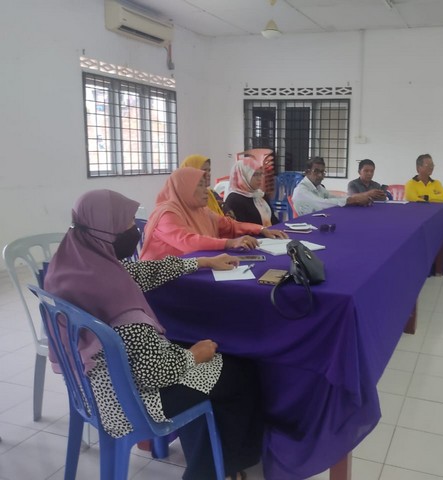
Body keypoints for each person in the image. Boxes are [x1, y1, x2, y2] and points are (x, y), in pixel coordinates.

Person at [44, 189, 262, 480]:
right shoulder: (117, 299)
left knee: (202, 362)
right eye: (127, 223)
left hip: (89, 390)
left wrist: (202, 262)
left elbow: (142, 272)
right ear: (106, 230)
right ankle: (211, 472)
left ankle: (214, 460)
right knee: (239, 373)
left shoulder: (74, 266)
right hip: (129, 401)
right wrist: (194, 355)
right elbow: (155, 372)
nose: (134, 229)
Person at [141, 167, 288, 260]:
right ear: (183, 188)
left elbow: (229, 225)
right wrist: (230, 243)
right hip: (164, 279)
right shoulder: (167, 214)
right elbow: (188, 242)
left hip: (193, 268)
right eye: (200, 185)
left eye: (206, 185)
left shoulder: (200, 210)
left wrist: (261, 229)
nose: (207, 191)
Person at [292, 157, 384, 216]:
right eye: (316, 171)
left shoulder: (318, 187)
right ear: (307, 172)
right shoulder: (301, 191)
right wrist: (353, 199)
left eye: (322, 172)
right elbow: (323, 204)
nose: (320, 175)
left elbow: (334, 197)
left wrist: (355, 199)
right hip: (306, 227)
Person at [224, 154, 279, 226]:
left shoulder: (260, 195)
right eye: (255, 175)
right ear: (243, 176)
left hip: (269, 232)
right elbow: (239, 228)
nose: (259, 178)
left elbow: (273, 220)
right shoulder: (234, 200)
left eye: (260, 174)